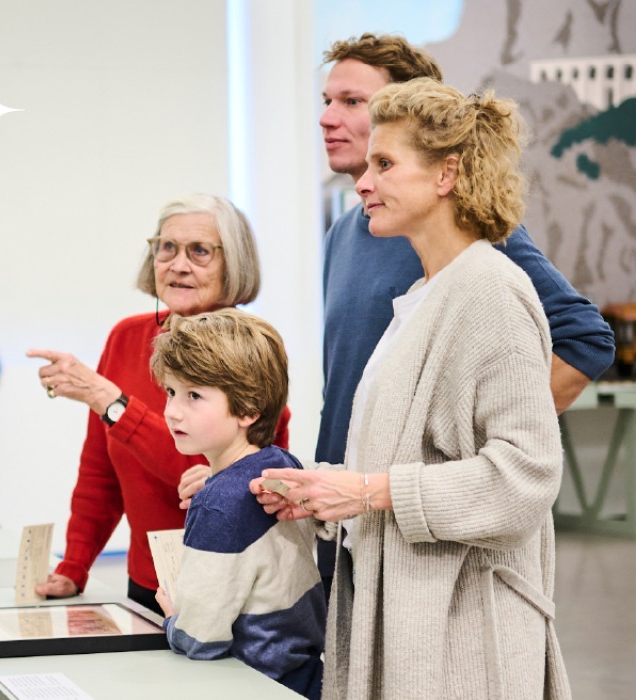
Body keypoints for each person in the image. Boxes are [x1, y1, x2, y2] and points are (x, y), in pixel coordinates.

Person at [258, 78, 570, 699]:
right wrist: (323, 491)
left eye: (384, 164)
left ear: (446, 174)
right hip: (410, 623)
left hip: (463, 645)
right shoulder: (427, 297)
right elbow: (400, 460)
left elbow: (526, 475)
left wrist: (370, 492)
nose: (363, 182)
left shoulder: (490, 292)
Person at [301, 33, 615, 594]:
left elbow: (585, 337)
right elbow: (346, 388)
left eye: (353, 103)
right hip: (349, 522)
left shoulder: (467, 238)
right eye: (326, 100)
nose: (329, 117)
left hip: (416, 533)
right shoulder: (344, 235)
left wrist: (470, 465)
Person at [26, 194, 289, 614]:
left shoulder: (250, 348)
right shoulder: (126, 337)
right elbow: (101, 470)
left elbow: (198, 479)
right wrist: (74, 566)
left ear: (233, 262)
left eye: (199, 251)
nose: (178, 265)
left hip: (229, 582)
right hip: (147, 580)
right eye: (167, 248)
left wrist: (110, 402)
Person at [149, 309, 324, 699]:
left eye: (194, 395)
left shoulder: (217, 504)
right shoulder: (281, 464)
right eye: (171, 392)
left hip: (251, 683)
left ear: (249, 409)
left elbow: (200, 639)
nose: (173, 410)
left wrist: (173, 618)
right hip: (304, 677)